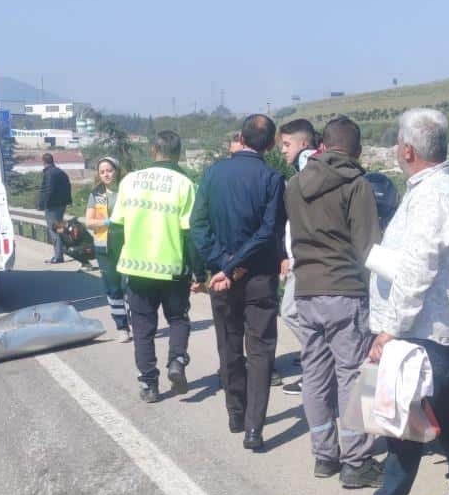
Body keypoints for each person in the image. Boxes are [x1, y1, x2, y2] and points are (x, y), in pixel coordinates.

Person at [332, 108, 449, 495]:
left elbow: (417, 272)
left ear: (406, 150)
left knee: (399, 417)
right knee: (448, 418)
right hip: (432, 328)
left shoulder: (433, 197)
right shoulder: (432, 190)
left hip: (421, 329)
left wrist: (391, 329)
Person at [286, 116, 385, 486]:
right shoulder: (356, 184)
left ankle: (324, 456)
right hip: (344, 291)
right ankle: (356, 461)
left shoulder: (294, 185)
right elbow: (368, 247)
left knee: (314, 374)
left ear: (323, 146)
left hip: (306, 291)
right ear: (357, 150)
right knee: (353, 375)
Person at [191, 115, 286, 451]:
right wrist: (237, 265)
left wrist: (223, 264)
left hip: (221, 279)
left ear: (241, 139)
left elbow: (197, 225)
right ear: (270, 145)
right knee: (260, 352)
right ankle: (254, 428)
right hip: (259, 277)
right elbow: (269, 231)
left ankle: (235, 411)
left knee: (228, 343)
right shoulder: (272, 178)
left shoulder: (212, 174)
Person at [116, 131, 204, 403]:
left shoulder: (130, 181)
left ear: (153, 150)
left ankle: (149, 384)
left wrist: (121, 262)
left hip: (136, 268)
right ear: (178, 153)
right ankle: (176, 360)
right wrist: (199, 272)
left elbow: (116, 228)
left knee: (143, 328)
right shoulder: (185, 184)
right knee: (178, 318)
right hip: (173, 268)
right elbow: (191, 233)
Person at [277, 119, 320, 397]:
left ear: (303, 144)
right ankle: (316, 358)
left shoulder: (308, 171)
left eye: (286, 144)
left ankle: (317, 363)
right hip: (303, 257)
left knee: (291, 311)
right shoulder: (310, 168)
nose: (283, 150)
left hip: (305, 259)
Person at [83, 156, 129, 341]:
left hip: (127, 243)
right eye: (102, 172)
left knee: (129, 285)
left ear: (116, 171)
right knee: (113, 287)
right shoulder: (96, 194)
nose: (106, 174)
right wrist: (106, 222)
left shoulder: (126, 190)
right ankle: (122, 327)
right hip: (105, 246)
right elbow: (88, 222)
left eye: (109, 170)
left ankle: (136, 322)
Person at [38, 152, 73, 264]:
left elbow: (48, 190)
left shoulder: (49, 173)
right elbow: (68, 186)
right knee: (59, 229)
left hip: (52, 206)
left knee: (54, 230)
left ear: (43, 162)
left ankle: (58, 256)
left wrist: (42, 204)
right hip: (62, 205)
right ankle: (61, 253)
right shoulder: (61, 172)